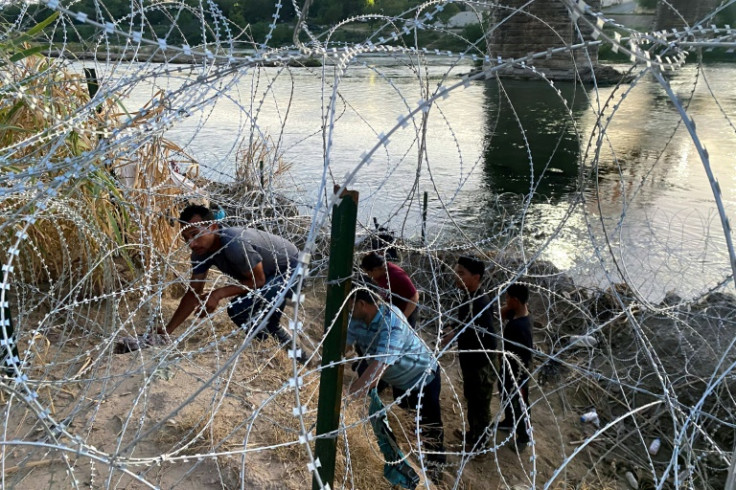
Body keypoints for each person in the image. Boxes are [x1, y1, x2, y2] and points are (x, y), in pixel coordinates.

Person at [134, 204, 301, 357]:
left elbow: (258, 280)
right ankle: (272, 346)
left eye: (195, 234)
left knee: (242, 309)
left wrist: (218, 294)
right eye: (186, 238)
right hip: (269, 274)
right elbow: (193, 294)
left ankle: (294, 355)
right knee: (244, 313)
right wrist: (167, 330)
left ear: (212, 227)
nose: (191, 243)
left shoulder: (234, 243)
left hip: (292, 270)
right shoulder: (201, 252)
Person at [346, 287, 446, 482]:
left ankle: (436, 469)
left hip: (422, 378)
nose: (348, 311)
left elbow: (377, 370)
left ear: (361, 304)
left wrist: (349, 398)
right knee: (407, 421)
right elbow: (343, 345)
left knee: (429, 427)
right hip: (399, 380)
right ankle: (412, 457)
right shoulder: (357, 320)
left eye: (350, 305)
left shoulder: (392, 321)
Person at [441, 256, 496, 448]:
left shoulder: (480, 303)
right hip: (472, 361)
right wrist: (454, 328)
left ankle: (481, 447)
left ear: (476, 277)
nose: (456, 277)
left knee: (480, 405)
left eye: (461, 273)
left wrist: (456, 335)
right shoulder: (469, 296)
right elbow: (468, 323)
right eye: (456, 272)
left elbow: (484, 336)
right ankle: (474, 436)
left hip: (480, 363)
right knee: (473, 401)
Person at [498, 283, 534, 451]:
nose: (505, 301)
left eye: (507, 298)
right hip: (507, 367)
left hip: (517, 373)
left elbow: (526, 356)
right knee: (505, 394)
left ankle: (524, 437)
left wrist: (520, 379)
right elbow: (500, 314)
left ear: (516, 300)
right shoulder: (516, 315)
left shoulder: (522, 327)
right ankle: (509, 421)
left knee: (520, 405)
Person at [360, 252, 419, 328]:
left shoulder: (397, 276)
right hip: (393, 310)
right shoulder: (380, 274)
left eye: (368, 272)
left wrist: (402, 318)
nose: (369, 275)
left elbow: (415, 296)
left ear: (375, 269)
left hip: (406, 311)